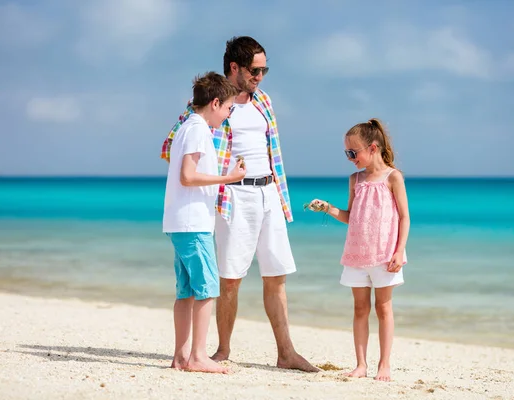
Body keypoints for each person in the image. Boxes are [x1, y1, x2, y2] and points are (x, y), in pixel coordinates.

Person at [161, 36, 318, 372]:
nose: (260, 76)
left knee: (277, 274)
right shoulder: (208, 106)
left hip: (269, 192)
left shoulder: (264, 101)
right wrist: (220, 177)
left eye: (264, 69)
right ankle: (221, 351)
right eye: (255, 70)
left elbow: (272, 150)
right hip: (233, 195)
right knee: (229, 278)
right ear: (235, 67)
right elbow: (169, 149)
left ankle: (286, 353)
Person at [307, 118, 410, 381]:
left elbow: (404, 217)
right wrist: (328, 208)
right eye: (347, 153)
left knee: (383, 308)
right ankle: (361, 365)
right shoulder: (355, 179)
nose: (350, 158)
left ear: (373, 148)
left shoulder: (393, 177)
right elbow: (352, 216)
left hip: (385, 254)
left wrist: (400, 250)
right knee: (359, 309)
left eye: (353, 153)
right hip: (356, 254)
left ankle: (384, 365)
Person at [162, 71, 246, 374]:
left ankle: (181, 356)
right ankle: (197, 356)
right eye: (228, 108)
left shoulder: (187, 127)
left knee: (186, 291)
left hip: (181, 222)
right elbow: (188, 175)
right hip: (192, 223)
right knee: (208, 288)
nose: (227, 115)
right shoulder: (198, 130)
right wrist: (230, 178)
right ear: (214, 103)